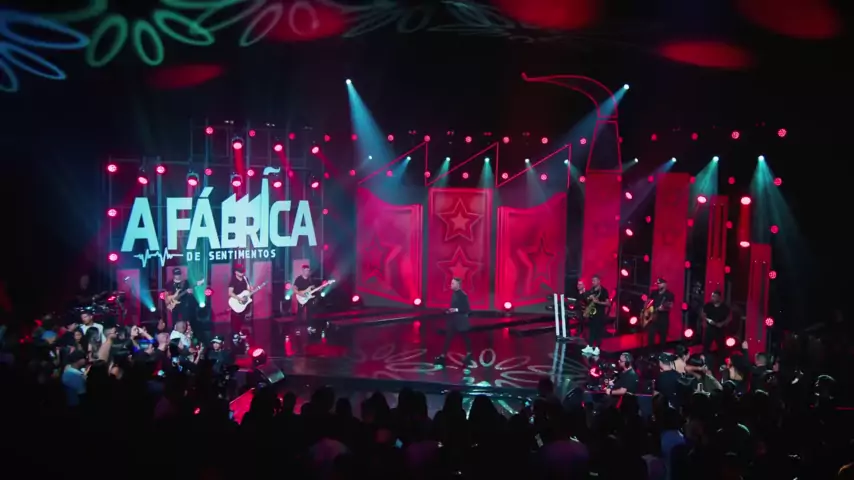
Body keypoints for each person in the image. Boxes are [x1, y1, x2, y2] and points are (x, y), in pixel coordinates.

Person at [435, 277, 473, 366]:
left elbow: (467, 309)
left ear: (458, 285)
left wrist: (455, 310)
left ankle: (469, 355)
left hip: (461, 321)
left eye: (453, 283)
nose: (451, 285)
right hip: (453, 321)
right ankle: (443, 357)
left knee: (465, 338)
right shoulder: (454, 294)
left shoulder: (463, 295)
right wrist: (449, 311)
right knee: (448, 338)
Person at [581, 275, 610, 356]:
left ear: (599, 281)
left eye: (594, 280)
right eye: (592, 280)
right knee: (591, 331)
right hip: (592, 314)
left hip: (600, 315)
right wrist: (589, 298)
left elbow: (608, 303)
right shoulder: (592, 290)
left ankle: (597, 348)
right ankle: (590, 346)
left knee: (598, 331)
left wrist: (598, 302)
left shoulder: (604, 291)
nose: (592, 282)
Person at [701, 290, 731, 357]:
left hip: (720, 330)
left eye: (714, 296)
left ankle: (722, 360)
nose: (713, 298)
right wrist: (705, 321)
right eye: (712, 296)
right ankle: (704, 358)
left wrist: (722, 323)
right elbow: (703, 314)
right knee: (706, 346)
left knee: (721, 347)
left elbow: (729, 317)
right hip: (710, 328)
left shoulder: (724, 307)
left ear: (719, 297)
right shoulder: (708, 306)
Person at [647, 278, 675, 347]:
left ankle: (661, 351)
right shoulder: (654, 293)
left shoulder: (669, 294)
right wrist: (650, 311)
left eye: (660, 283)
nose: (658, 285)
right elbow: (649, 303)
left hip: (663, 319)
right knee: (651, 336)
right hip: (653, 318)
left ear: (665, 284)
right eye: (658, 284)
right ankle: (650, 351)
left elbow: (670, 305)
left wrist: (663, 308)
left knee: (663, 337)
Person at [293, 265, 319, 334]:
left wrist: (319, 288)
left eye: (308, 270)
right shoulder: (299, 279)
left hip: (309, 298)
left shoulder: (310, 279)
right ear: (303, 270)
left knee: (310, 312)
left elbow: (313, 288)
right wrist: (300, 294)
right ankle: (297, 328)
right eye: (306, 270)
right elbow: (294, 289)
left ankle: (310, 327)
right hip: (301, 298)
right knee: (300, 313)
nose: (307, 272)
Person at [228, 265, 251, 336]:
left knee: (242, 317)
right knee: (235, 318)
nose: (242, 273)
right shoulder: (233, 280)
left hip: (243, 302)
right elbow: (230, 293)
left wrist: (250, 289)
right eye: (240, 271)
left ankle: (239, 331)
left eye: (242, 271)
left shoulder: (245, 279)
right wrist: (239, 298)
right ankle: (234, 333)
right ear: (236, 272)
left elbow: (248, 290)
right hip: (236, 302)